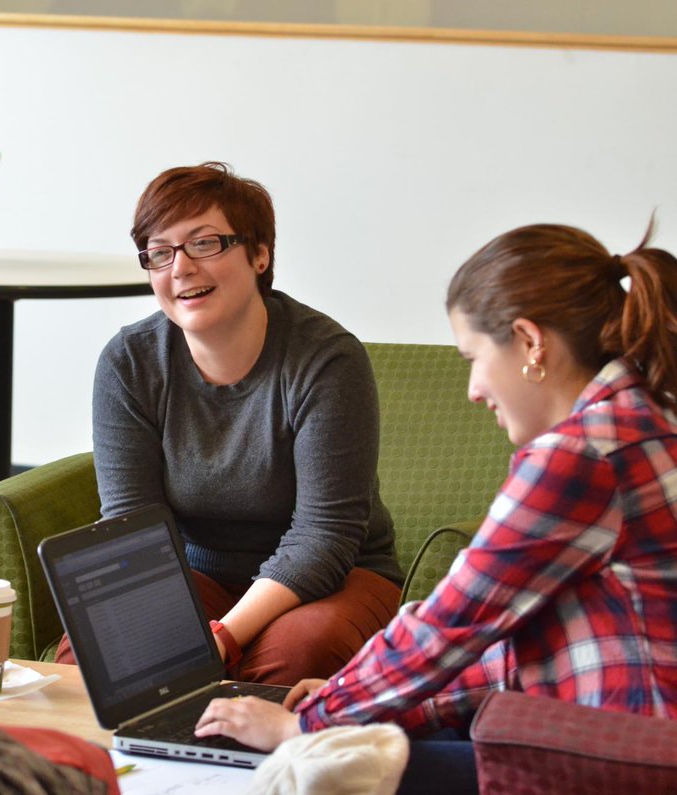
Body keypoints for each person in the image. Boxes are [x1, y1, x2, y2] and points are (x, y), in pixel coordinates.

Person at [194, 221, 677, 792]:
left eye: (474, 357)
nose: (473, 389)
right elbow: (506, 650)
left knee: (318, 773)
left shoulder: (579, 456)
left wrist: (308, 725)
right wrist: (350, 704)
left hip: (624, 753)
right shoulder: (644, 418)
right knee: (377, 745)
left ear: (530, 342)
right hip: (618, 731)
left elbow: (453, 622)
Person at [55, 162, 404, 685]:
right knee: (103, 651)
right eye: (160, 252)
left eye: (205, 244)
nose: (180, 268)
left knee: (299, 652)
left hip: (336, 577)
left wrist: (222, 636)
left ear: (259, 255)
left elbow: (324, 535)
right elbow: (132, 526)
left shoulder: (326, 359)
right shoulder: (130, 361)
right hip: (195, 573)